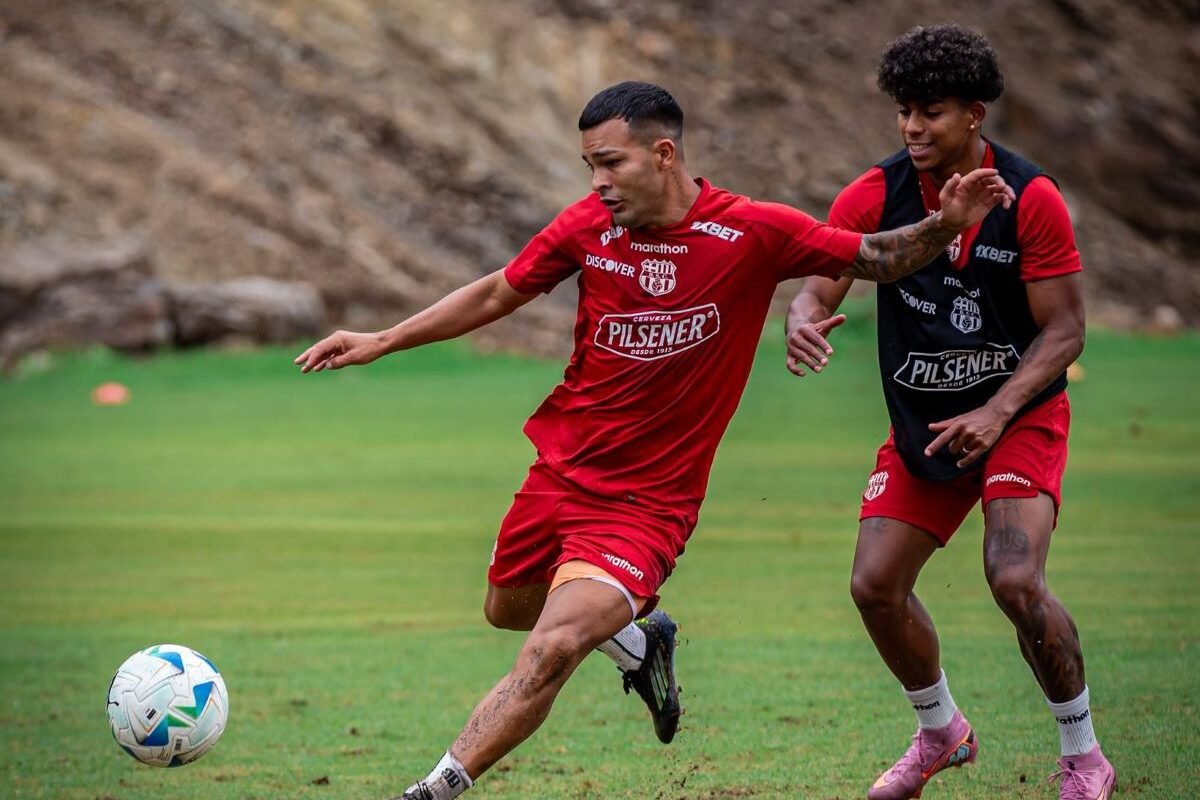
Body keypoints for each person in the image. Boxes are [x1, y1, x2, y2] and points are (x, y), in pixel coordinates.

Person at [296, 80, 1013, 800]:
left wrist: (943, 227)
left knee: (552, 648)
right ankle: (640, 642)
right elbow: (496, 291)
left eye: (611, 164)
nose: (599, 183)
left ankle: (432, 790)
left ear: (663, 153)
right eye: (590, 169)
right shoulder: (586, 227)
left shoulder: (752, 231)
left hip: (647, 505)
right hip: (559, 474)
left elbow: (876, 257)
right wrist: (383, 339)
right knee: (508, 611)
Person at [786, 25, 1115, 800]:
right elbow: (819, 279)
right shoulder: (876, 193)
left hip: (1019, 415)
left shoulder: (1031, 198)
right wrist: (802, 315)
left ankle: (1083, 756)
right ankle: (941, 733)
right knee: (873, 586)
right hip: (922, 426)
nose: (911, 127)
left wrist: (999, 411)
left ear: (975, 113)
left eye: (929, 111)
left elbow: (1066, 330)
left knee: (1012, 579)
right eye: (903, 111)